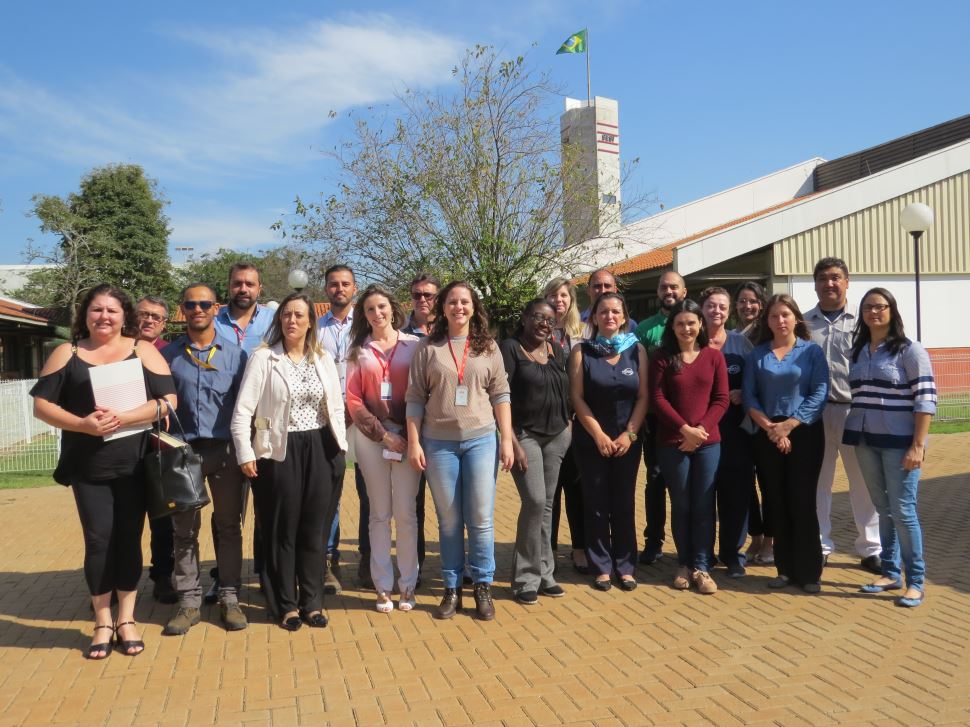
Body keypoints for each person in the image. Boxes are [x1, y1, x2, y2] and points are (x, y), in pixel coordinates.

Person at [30, 284, 176, 658]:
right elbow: (42, 406)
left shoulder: (140, 350)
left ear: (125, 315)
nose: (104, 317)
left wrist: (123, 417)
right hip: (88, 466)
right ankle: (102, 621)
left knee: (129, 539)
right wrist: (83, 425)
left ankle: (126, 618)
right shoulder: (69, 352)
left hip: (135, 464)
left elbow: (168, 401)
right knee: (98, 542)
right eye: (97, 310)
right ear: (86, 314)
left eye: (112, 310)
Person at [231, 293, 347, 630]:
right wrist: (245, 452)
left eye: (298, 315)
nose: (291, 321)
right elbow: (243, 411)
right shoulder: (264, 358)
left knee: (314, 529)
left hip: (321, 447)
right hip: (279, 451)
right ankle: (285, 604)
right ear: (279, 320)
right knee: (282, 529)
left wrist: (340, 449)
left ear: (311, 320)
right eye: (286, 315)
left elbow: (335, 407)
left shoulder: (321, 358)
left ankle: (311, 602)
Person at [406, 281, 514, 620]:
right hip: (439, 444)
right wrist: (413, 441)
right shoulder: (428, 347)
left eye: (464, 302)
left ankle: (482, 585)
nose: (458, 308)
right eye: (452, 302)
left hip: (482, 440)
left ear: (474, 307)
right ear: (443, 308)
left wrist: (507, 438)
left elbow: (501, 394)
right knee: (450, 521)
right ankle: (451, 588)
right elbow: (414, 398)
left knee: (481, 518)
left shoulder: (488, 347)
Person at [160, 283, 249, 635]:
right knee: (184, 531)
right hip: (183, 453)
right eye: (191, 304)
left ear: (216, 308)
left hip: (224, 451)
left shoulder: (235, 356)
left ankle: (229, 596)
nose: (198, 309)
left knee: (228, 527)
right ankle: (189, 602)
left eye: (205, 304)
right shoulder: (168, 356)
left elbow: (246, 407)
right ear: (182, 309)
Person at [844, 288, 936, 608]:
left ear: (892, 311)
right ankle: (889, 571)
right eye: (868, 307)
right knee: (883, 509)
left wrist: (918, 446)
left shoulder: (910, 351)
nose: (874, 312)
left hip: (901, 445)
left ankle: (916, 581)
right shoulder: (858, 351)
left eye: (880, 307)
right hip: (865, 441)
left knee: (903, 511)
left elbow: (925, 400)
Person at [743, 294, 829, 593]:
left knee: (802, 502)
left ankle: (809, 573)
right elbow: (749, 396)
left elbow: (819, 393)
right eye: (774, 316)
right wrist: (771, 428)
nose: (780, 321)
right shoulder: (758, 355)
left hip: (804, 432)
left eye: (785, 315)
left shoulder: (812, 353)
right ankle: (784, 569)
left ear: (796, 318)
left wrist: (789, 426)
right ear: (767, 322)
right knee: (775, 501)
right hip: (767, 433)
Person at [345, 285, 422, 612]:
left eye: (382, 307)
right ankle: (382, 586)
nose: (378, 314)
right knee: (379, 514)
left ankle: (408, 585)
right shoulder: (358, 352)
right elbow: (353, 400)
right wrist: (383, 435)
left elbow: (424, 392)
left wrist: (407, 434)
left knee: (406, 513)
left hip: (409, 436)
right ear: (364, 316)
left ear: (393, 309)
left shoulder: (415, 346)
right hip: (372, 439)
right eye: (370, 310)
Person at [805, 257, 881, 573]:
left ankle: (871, 549)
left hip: (854, 410)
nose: (829, 283)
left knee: (862, 482)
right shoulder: (804, 323)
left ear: (846, 281)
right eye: (823, 278)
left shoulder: (863, 322)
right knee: (818, 483)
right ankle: (820, 545)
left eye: (835, 277)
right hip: (816, 414)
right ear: (816, 284)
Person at [569, 292, 648, 592]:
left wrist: (629, 434)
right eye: (603, 312)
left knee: (624, 503)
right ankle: (601, 566)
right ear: (594, 317)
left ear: (624, 317)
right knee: (596, 503)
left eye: (615, 311)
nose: (610, 316)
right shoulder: (582, 351)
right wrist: (599, 435)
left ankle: (626, 566)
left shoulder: (636, 350)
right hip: (592, 441)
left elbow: (643, 397)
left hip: (628, 440)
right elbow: (576, 398)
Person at [651, 299, 728, 594]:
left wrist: (701, 431)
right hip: (673, 442)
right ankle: (683, 563)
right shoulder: (662, 357)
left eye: (692, 323)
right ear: (673, 326)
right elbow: (657, 399)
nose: (687, 328)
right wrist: (685, 429)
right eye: (680, 323)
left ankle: (701, 567)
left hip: (709, 443)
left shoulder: (713, 357)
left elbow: (721, 399)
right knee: (682, 504)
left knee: (704, 505)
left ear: (701, 325)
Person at [501, 299, 571, 605]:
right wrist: (511, 440)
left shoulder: (556, 349)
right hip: (524, 435)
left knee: (546, 506)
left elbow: (566, 390)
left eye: (550, 320)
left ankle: (546, 574)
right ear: (525, 318)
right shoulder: (511, 348)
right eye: (538, 318)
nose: (544, 323)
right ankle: (525, 577)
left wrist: (568, 426)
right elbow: (499, 395)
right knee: (535, 500)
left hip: (557, 436)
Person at [211, 262, 273, 602]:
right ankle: (223, 577)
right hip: (223, 424)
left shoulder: (273, 321)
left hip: (263, 423)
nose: (243, 289)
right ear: (229, 286)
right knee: (227, 511)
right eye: (237, 283)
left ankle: (266, 574)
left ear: (259, 288)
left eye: (250, 283)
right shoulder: (213, 320)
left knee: (266, 505)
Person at [317, 264, 368, 594]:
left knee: (369, 492)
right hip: (325, 420)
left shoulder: (365, 327)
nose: (339, 289)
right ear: (326, 290)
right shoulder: (314, 328)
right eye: (333, 284)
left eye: (345, 284)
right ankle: (326, 560)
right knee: (328, 493)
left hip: (362, 417)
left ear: (355, 288)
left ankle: (366, 558)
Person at [700, 287, 755, 577]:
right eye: (711, 305)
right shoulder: (692, 341)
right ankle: (704, 554)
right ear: (702, 308)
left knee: (736, 495)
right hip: (702, 432)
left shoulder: (741, 344)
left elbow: (757, 383)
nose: (716, 311)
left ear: (729, 310)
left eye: (722, 306)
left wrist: (742, 393)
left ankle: (734, 554)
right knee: (704, 495)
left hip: (736, 432)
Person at [635, 270, 688, 565]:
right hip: (656, 419)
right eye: (663, 287)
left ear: (684, 290)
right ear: (657, 292)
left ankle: (692, 544)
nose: (668, 291)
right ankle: (653, 541)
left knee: (690, 484)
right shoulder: (645, 329)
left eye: (674, 287)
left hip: (691, 419)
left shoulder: (696, 323)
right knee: (655, 480)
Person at [542, 277, 587, 574]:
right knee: (549, 492)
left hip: (577, 421)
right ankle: (548, 551)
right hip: (546, 422)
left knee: (576, 487)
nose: (559, 300)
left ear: (571, 299)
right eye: (552, 295)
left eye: (563, 295)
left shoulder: (583, 333)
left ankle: (580, 547)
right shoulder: (538, 333)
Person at [135, 294, 176, 604]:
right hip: (121, 447)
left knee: (163, 519)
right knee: (122, 519)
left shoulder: (170, 353)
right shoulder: (116, 350)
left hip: (159, 446)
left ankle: (162, 575)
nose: (149, 320)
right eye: (144, 314)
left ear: (164, 323)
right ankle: (116, 578)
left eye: (156, 317)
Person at [401, 272, 441, 582]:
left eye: (428, 295)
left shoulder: (452, 330)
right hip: (412, 430)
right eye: (417, 295)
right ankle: (414, 567)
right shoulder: (400, 336)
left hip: (446, 431)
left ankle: (456, 565)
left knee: (450, 502)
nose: (423, 300)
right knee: (413, 504)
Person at [734, 282, 773, 565]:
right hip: (739, 423)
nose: (748, 306)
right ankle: (755, 535)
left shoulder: (768, 335)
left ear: (762, 303)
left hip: (765, 419)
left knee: (768, 482)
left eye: (753, 301)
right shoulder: (732, 336)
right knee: (745, 484)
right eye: (742, 301)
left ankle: (770, 539)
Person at [579, 269, 637, 333]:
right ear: (588, 290)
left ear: (615, 290)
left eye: (607, 286)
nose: (603, 291)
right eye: (597, 286)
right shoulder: (576, 323)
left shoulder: (630, 326)